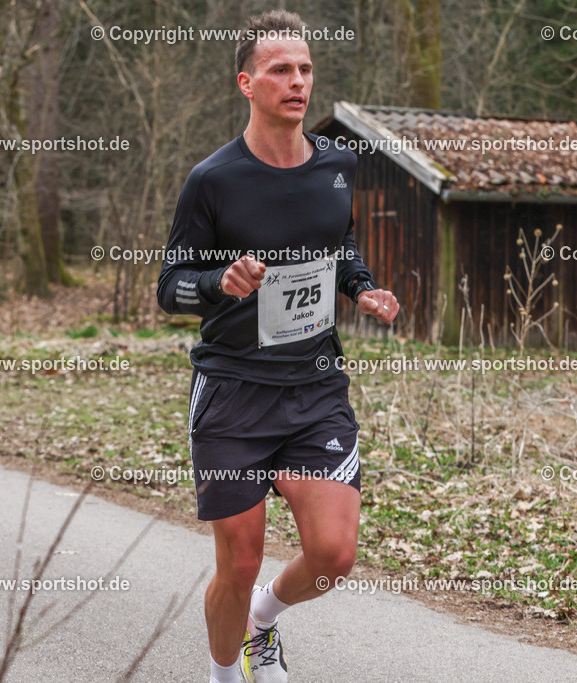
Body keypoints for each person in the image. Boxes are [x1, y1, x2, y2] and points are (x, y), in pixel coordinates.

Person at [156, 10, 398, 682]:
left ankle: (263, 619)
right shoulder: (214, 180)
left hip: (315, 385)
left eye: (306, 68)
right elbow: (168, 287)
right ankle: (224, 672)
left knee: (333, 552)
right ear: (246, 82)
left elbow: (338, 243)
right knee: (238, 561)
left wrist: (362, 287)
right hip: (233, 389)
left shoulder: (339, 165)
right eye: (280, 69)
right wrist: (218, 281)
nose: (297, 81)